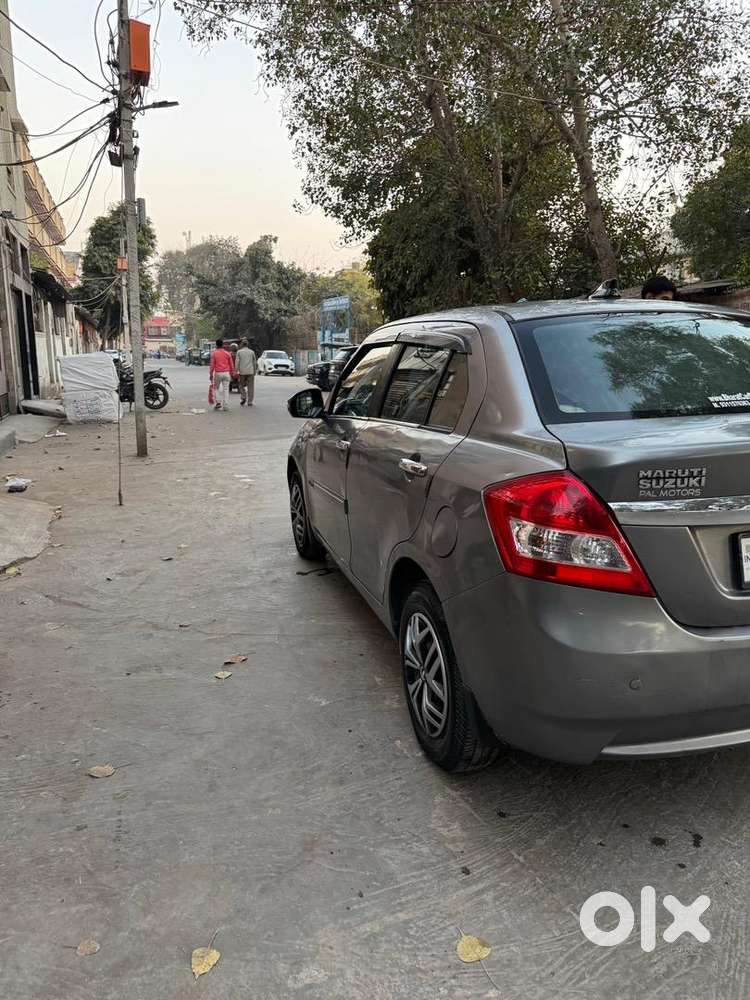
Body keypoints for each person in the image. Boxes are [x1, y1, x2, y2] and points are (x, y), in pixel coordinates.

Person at [209, 338, 235, 411]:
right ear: (222, 345)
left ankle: (218, 402)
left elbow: (212, 365)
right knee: (226, 390)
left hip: (218, 373)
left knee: (216, 388)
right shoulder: (227, 353)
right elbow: (231, 365)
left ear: (216, 345)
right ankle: (226, 406)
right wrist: (233, 373)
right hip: (226, 373)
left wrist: (211, 374)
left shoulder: (214, 353)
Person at [235, 337, 257, 406]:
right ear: (247, 345)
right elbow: (254, 362)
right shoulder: (252, 352)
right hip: (250, 371)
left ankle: (243, 397)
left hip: (242, 372)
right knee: (250, 387)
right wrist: (255, 371)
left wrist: (236, 370)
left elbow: (237, 362)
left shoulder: (239, 352)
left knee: (241, 385)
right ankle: (250, 401)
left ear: (242, 344)